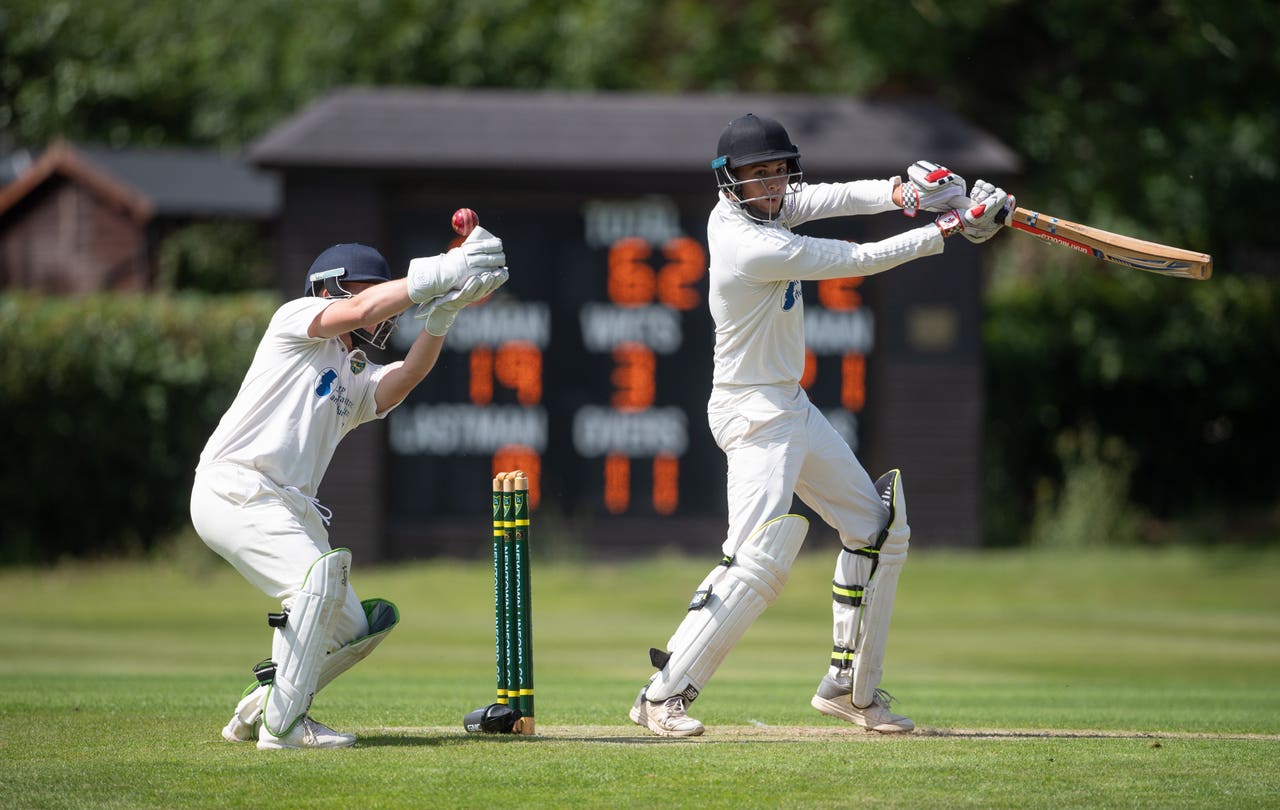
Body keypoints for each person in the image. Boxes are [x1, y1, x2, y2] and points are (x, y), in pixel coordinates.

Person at [628, 113, 1012, 737]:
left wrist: (905, 193)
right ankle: (660, 696)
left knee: (876, 527)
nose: (773, 185)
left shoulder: (771, 208)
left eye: (779, 171)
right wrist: (950, 225)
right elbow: (858, 257)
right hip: (752, 413)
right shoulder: (750, 241)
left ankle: (849, 690)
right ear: (730, 182)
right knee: (755, 558)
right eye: (759, 175)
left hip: (790, 405)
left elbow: (837, 197)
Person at [190, 232, 509, 749]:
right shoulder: (295, 321)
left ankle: (260, 710)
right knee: (316, 584)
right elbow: (362, 308)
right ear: (329, 289)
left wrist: (442, 316)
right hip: (237, 486)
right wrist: (443, 270)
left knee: (354, 625)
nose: (379, 312)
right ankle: (285, 728)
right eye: (367, 291)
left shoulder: (352, 370)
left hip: (289, 506)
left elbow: (405, 376)